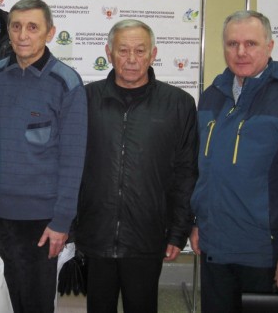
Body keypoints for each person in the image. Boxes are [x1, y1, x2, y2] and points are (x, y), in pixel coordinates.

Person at [190, 10, 278, 313]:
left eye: (251, 43)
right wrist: (199, 222)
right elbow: (205, 171)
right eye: (232, 44)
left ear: (269, 46)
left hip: (262, 255)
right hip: (215, 249)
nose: (240, 52)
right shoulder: (212, 97)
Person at [75, 19, 198, 313]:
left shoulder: (178, 104)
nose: (131, 59)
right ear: (109, 53)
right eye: (123, 50)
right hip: (96, 233)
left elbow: (186, 173)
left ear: (153, 54)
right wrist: (70, 226)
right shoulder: (85, 99)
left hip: (147, 235)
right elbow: (70, 166)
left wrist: (178, 231)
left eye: (140, 51)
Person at [0, 0, 88, 313]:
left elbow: (73, 160)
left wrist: (62, 221)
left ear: (49, 32)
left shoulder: (66, 82)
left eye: (32, 27)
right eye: (16, 27)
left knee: (36, 304)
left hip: (41, 222)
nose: (23, 35)